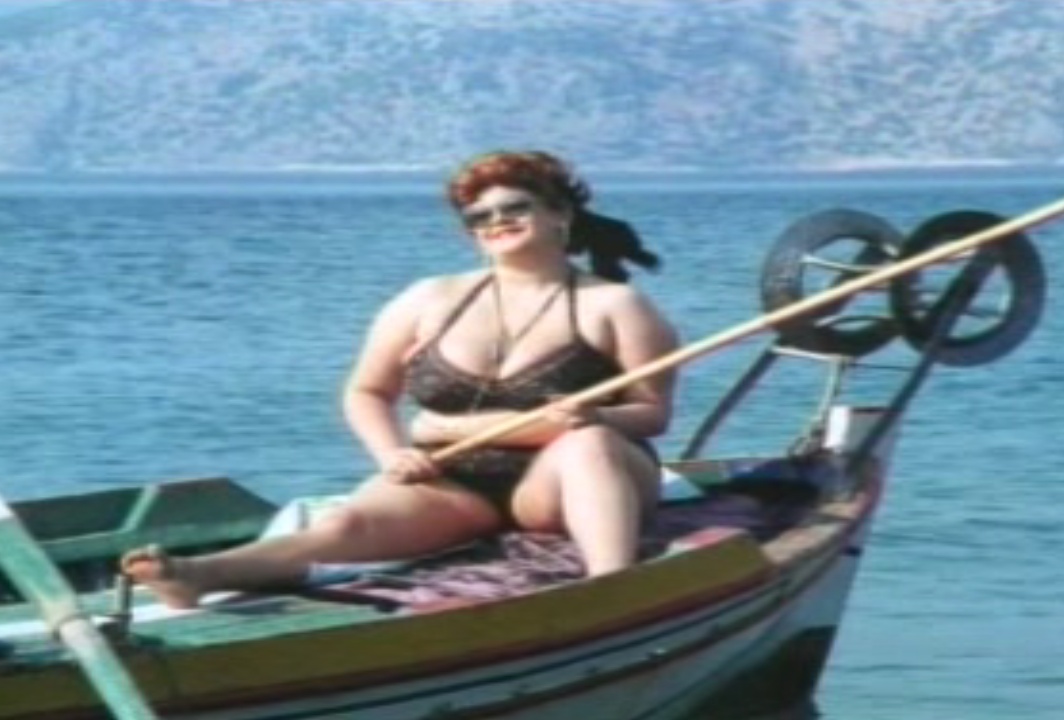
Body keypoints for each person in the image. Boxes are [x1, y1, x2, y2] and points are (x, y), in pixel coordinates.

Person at [122, 150, 679, 608]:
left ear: (560, 214)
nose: (496, 222)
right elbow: (366, 392)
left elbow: (652, 413)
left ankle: (610, 586)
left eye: (515, 207)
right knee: (344, 528)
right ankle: (199, 574)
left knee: (589, 444)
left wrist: (595, 416)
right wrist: (393, 452)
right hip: (455, 480)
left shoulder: (616, 306)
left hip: (564, 482)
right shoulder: (428, 299)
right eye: (478, 217)